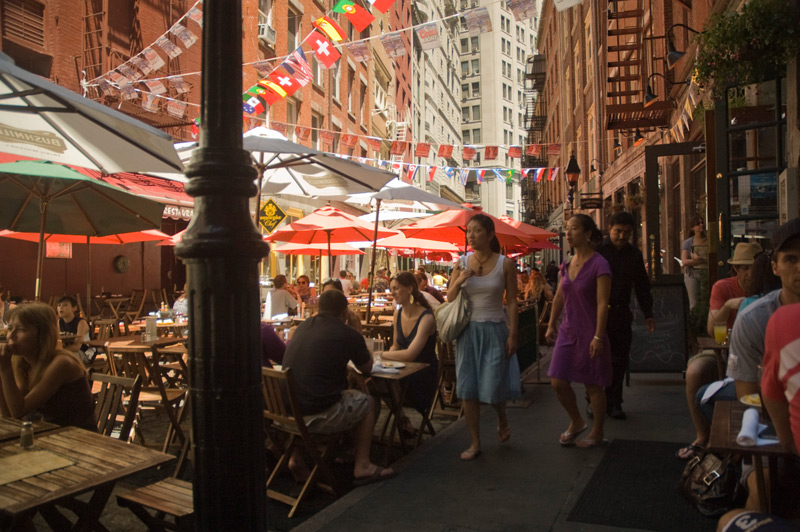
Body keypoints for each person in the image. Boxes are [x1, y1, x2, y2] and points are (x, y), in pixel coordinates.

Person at [282, 290, 395, 485]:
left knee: (335, 394)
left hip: (286, 416)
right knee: (367, 401)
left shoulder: (302, 327)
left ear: (319, 308)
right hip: (316, 416)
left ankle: (296, 457)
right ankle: (363, 464)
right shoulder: (347, 333)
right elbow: (368, 368)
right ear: (344, 312)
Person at [677, 241, 761, 460]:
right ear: (736, 269)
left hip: (755, 360)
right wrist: (728, 306)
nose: (749, 273)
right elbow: (712, 331)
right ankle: (703, 436)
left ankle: (731, 443)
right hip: (724, 350)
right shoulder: (723, 287)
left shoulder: (769, 292)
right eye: (743, 267)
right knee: (695, 371)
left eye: (753, 267)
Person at [447, 213, 519, 461]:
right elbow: (449, 298)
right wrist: (460, 279)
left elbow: (511, 302)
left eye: (477, 231)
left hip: (495, 329)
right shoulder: (462, 262)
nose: (471, 236)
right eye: (468, 231)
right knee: (468, 388)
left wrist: (513, 333)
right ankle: (475, 442)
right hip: (468, 331)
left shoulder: (505, 264)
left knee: (492, 386)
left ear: (490, 235)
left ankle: (502, 417)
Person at [545, 214, 612, 448]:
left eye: (574, 228)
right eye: (567, 228)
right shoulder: (566, 263)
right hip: (568, 331)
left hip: (591, 331)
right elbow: (559, 297)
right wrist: (552, 323)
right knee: (557, 381)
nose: (569, 233)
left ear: (587, 233)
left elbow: (604, 303)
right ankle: (577, 421)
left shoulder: (599, 264)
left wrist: (598, 336)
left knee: (593, 383)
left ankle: (597, 431)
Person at [595, 211, 654, 420]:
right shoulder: (597, 252)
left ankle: (614, 403)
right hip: (597, 315)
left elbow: (642, 285)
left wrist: (648, 312)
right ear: (609, 229)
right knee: (597, 359)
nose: (621, 236)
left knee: (619, 361)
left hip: (621, 313)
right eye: (617, 231)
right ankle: (593, 401)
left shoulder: (634, 255)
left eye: (626, 232)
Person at [0, 302, 95, 430]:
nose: (11, 336)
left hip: (80, 440)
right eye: (10, 328)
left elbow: (19, 410)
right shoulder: (24, 363)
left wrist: (5, 369)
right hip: (52, 435)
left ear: (42, 334)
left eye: (21, 329)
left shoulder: (62, 363)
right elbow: (10, 414)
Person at [383, 271, 439, 435]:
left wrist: (379, 355)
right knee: (374, 382)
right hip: (404, 369)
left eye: (396, 288)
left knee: (384, 384)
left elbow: (410, 354)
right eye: (391, 289)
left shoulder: (426, 318)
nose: (392, 292)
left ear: (409, 289)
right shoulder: (397, 314)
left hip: (423, 374)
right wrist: (383, 361)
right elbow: (395, 346)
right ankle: (402, 419)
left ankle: (402, 420)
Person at [56, 295, 95, 364]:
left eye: (65, 305)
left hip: (85, 352)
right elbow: (58, 340)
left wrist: (59, 349)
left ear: (74, 308)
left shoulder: (81, 322)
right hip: (67, 351)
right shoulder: (59, 322)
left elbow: (77, 347)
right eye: (59, 305)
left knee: (63, 360)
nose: (60, 308)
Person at [681, 215, 709, 310]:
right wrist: (696, 261)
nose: (701, 225)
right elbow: (684, 262)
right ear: (692, 228)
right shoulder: (688, 243)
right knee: (694, 303)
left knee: (707, 300)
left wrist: (700, 260)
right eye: (698, 224)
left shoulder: (710, 240)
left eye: (702, 222)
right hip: (692, 274)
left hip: (706, 274)